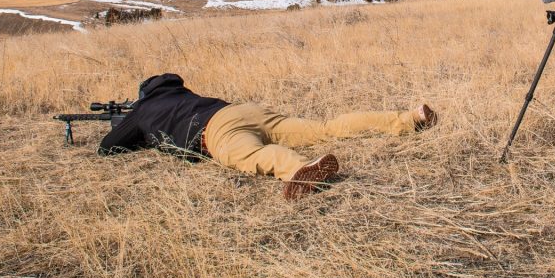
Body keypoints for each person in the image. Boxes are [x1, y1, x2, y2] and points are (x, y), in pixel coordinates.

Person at [98, 73, 437, 200]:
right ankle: (408, 118)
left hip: (216, 132)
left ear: (143, 96)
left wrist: (131, 124)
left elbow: (108, 148)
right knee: (324, 128)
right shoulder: (181, 95)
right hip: (244, 111)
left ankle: (300, 170)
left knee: (254, 155)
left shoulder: (143, 110)